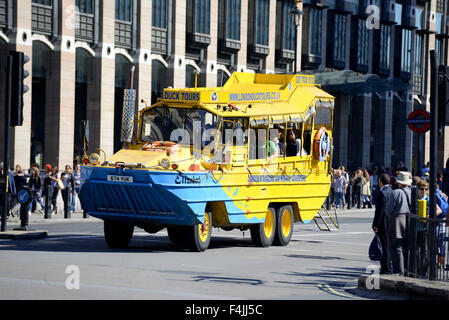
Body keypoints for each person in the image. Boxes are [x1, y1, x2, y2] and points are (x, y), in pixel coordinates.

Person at [387, 171, 413, 275]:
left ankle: (398, 271)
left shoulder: (396, 192)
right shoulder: (412, 192)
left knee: (396, 246)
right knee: (406, 248)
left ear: (399, 182)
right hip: (409, 220)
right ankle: (407, 270)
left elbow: (388, 209)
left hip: (397, 220)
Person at [372, 174, 394, 274]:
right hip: (390, 222)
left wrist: (375, 225)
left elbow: (379, 211)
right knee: (387, 246)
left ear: (381, 182)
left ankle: (385, 268)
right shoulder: (392, 191)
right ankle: (388, 266)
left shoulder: (382, 193)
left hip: (383, 223)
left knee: (383, 246)